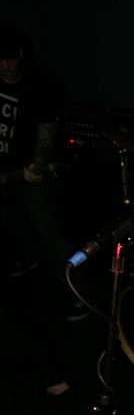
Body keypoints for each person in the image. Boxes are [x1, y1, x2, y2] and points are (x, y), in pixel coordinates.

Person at [0, 22, 87, 321]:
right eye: (0, 60)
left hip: (29, 174)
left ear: (21, 54)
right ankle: (25, 258)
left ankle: (80, 294)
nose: (5, 67)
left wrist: (36, 164)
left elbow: (46, 137)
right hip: (5, 171)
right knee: (12, 221)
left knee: (51, 235)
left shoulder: (42, 86)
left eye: (10, 59)